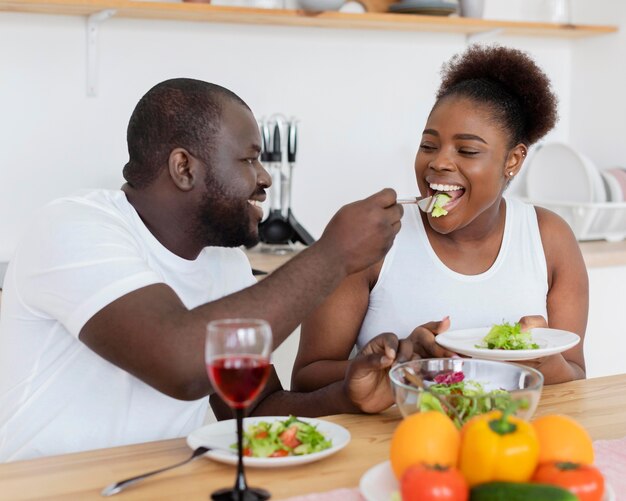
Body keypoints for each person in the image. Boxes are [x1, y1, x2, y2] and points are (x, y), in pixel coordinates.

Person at [0, 78, 407, 461]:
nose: (264, 178)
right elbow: (181, 366)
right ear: (184, 168)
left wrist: (347, 396)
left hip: (159, 484)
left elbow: (254, 411)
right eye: (248, 159)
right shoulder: (73, 227)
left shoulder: (224, 262)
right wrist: (333, 255)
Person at [292, 44, 588, 406]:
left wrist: (539, 358)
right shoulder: (373, 236)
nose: (439, 164)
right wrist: (403, 365)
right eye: (429, 145)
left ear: (512, 160)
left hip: (510, 443)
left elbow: (575, 379)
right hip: (398, 442)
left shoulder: (549, 238)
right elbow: (306, 378)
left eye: (467, 151)